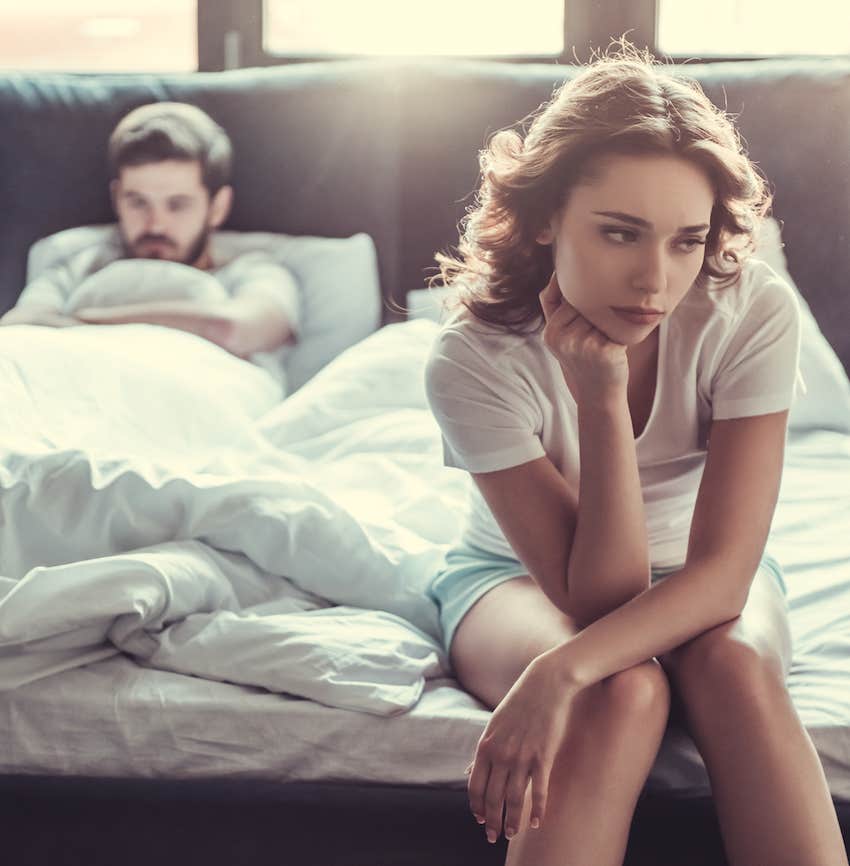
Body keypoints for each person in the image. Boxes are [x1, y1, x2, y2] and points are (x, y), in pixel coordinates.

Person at [425, 48, 848, 866]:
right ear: (546, 216)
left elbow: (723, 576)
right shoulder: (473, 358)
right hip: (509, 581)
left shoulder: (751, 309)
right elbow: (600, 599)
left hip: (701, 572)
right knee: (619, 689)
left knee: (734, 666)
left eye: (687, 242)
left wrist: (556, 673)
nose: (655, 281)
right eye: (620, 233)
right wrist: (599, 399)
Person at [0, 102, 298, 387]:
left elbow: (231, 330)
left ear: (217, 207)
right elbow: (19, 328)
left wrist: (73, 323)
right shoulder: (78, 265)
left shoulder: (255, 271)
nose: (155, 224)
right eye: (138, 202)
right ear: (117, 198)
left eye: (177, 205)